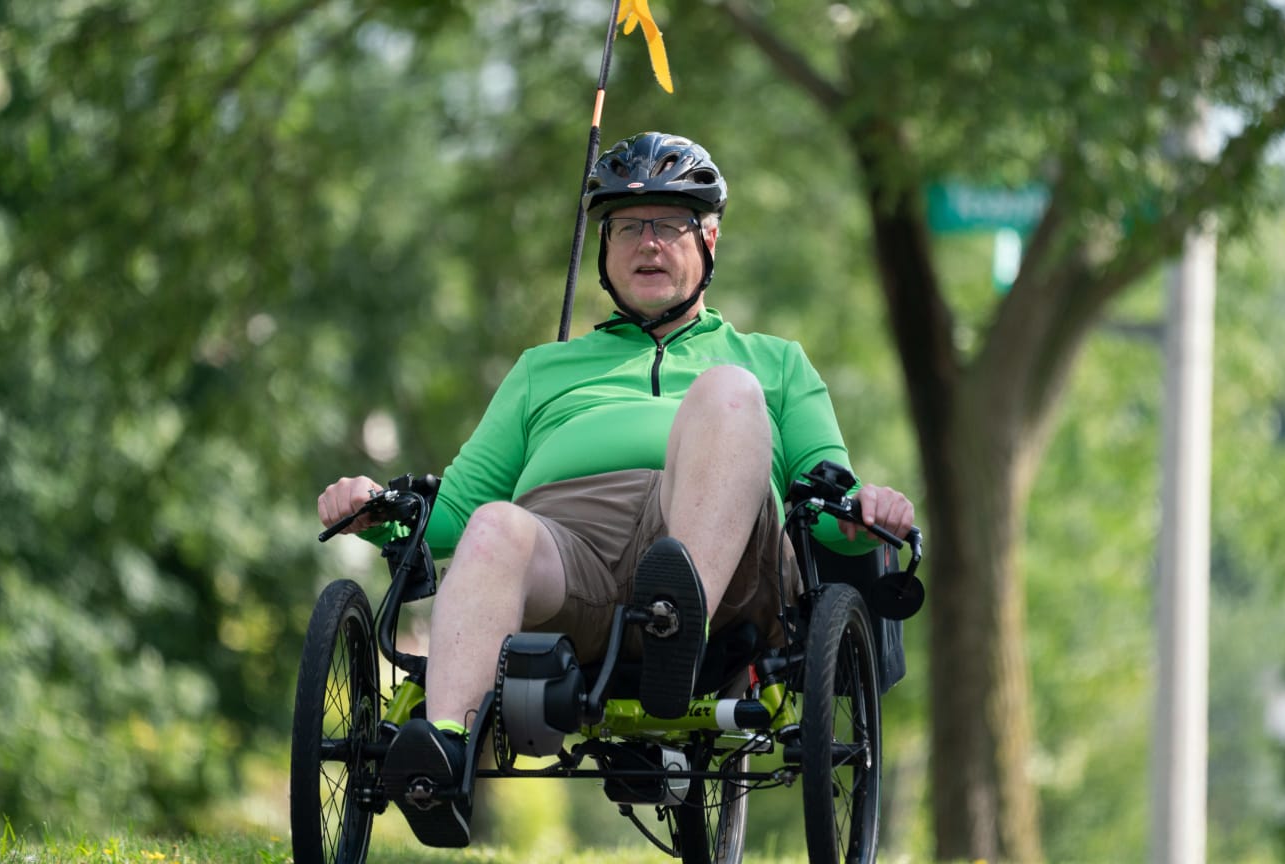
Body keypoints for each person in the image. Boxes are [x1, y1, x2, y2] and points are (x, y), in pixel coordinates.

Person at [316, 131, 916, 847]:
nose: (648, 243)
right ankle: (442, 754)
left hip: (719, 549)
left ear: (711, 239)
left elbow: (827, 496)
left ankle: (677, 619)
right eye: (628, 227)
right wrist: (377, 511)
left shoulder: (773, 363)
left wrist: (864, 515)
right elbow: (452, 515)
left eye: (670, 224)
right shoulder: (544, 368)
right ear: (603, 250)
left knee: (728, 394)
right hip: (573, 551)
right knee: (495, 527)